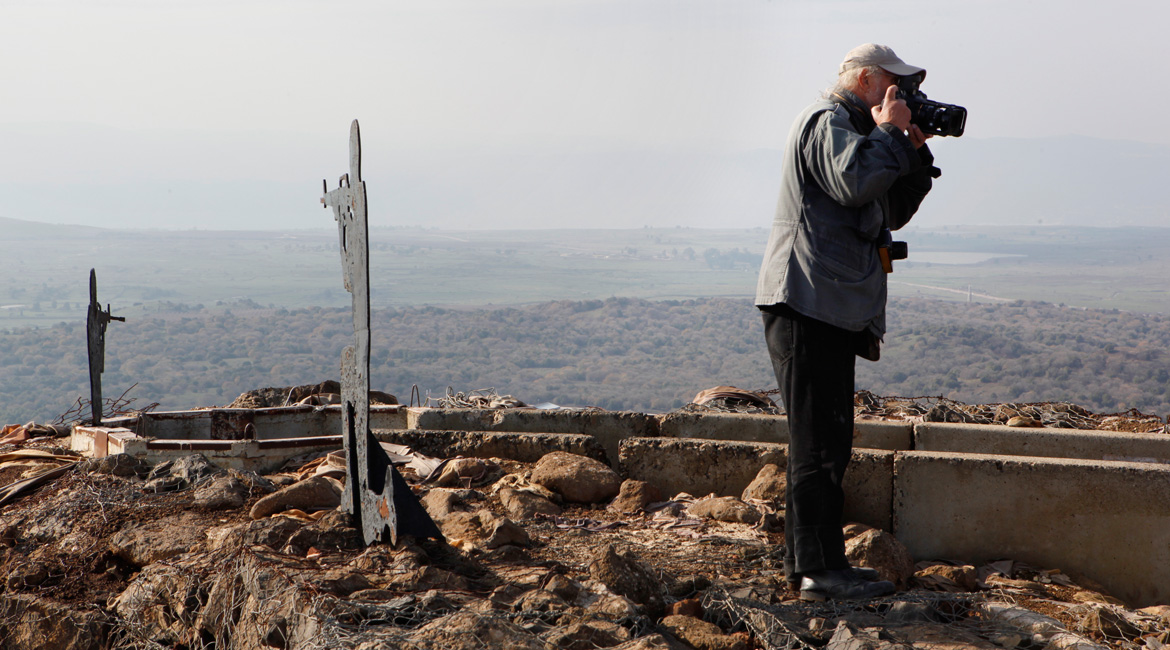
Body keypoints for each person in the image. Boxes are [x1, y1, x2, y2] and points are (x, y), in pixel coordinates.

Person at [755, 44, 939, 602]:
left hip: (830, 304)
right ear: (864, 80)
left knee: (829, 441)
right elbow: (854, 182)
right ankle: (816, 573)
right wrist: (886, 134)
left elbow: (886, 208)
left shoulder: (861, 133)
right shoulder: (826, 122)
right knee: (816, 445)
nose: (902, 96)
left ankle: (820, 565)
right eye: (894, 85)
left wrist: (913, 154)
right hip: (805, 302)